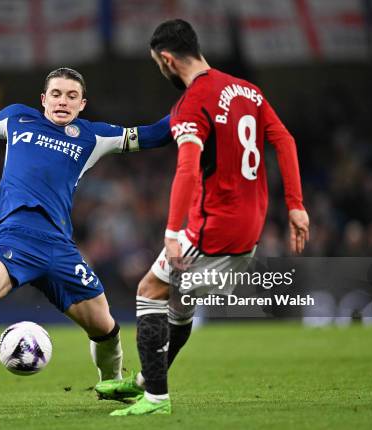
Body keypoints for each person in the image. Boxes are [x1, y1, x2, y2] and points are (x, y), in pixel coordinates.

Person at [0, 67, 172, 386]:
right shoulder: (17, 118)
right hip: (14, 239)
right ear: (43, 99)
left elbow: (152, 135)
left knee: (105, 329)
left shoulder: (94, 136)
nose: (63, 101)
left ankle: (113, 384)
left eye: (71, 96)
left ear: (82, 104)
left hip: (59, 249)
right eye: (56, 94)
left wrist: (189, 110)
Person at [96, 19, 310, 415]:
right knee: (180, 305)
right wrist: (295, 205)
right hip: (250, 227)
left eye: (158, 66)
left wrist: (174, 231)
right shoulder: (248, 90)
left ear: (167, 59)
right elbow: (284, 139)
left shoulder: (193, 102)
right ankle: (147, 380)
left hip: (213, 225)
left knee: (149, 290)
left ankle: (156, 397)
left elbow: (189, 168)